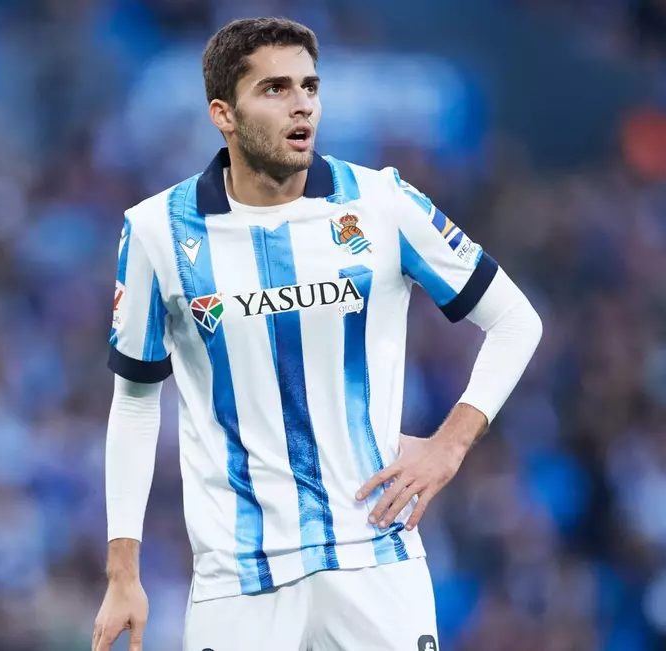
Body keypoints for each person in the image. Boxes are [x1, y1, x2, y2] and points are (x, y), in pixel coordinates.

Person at [92, 16, 542, 651]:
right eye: (274, 89)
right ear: (224, 114)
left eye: (309, 86)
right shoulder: (156, 232)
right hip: (238, 581)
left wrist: (451, 444)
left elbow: (516, 321)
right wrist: (123, 573)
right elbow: (136, 402)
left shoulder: (381, 202)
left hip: (374, 557)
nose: (301, 103)